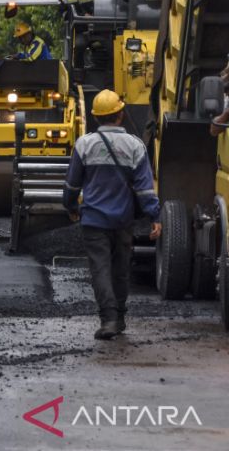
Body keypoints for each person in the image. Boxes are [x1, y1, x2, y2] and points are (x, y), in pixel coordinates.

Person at [63, 89, 161, 340]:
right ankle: (119, 318)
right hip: (123, 221)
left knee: (100, 270)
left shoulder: (84, 145)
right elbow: (145, 188)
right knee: (120, 270)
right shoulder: (135, 146)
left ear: (96, 118)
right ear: (121, 114)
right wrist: (154, 217)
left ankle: (108, 319)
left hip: (94, 220)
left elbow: (73, 184)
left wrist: (71, 206)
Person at [210, 66, 229, 137]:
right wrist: (228, 112)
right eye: (225, 90)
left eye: (228, 88)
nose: (227, 93)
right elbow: (214, 131)